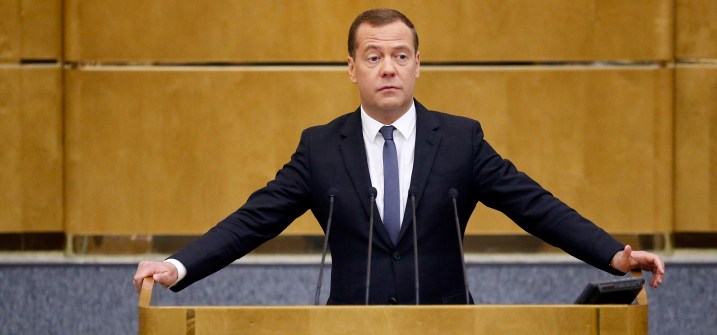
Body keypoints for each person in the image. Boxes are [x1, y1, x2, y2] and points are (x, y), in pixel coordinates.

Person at [133, 8, 664, 304]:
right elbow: (253, 221)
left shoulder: (460, 140)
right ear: (352, 68)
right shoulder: (321, 148)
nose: (388, 67)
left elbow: (536, 206)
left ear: (416, 66)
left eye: (400, 55)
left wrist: (613, 256)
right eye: (373, 57)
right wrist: (178, 265)